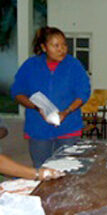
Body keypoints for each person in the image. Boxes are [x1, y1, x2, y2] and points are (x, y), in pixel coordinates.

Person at [11, 26, 91, 168]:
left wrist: (66, 112)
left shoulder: (73, 65)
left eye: (64, 45)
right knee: (41, 168)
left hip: (68, 127)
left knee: (68, 168)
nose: (62, 49)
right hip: (38, 128)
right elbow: (17, 92)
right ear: (44, 47)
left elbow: (83, 93)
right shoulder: (30, 66)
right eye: (56, 45)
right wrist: (36, 107)